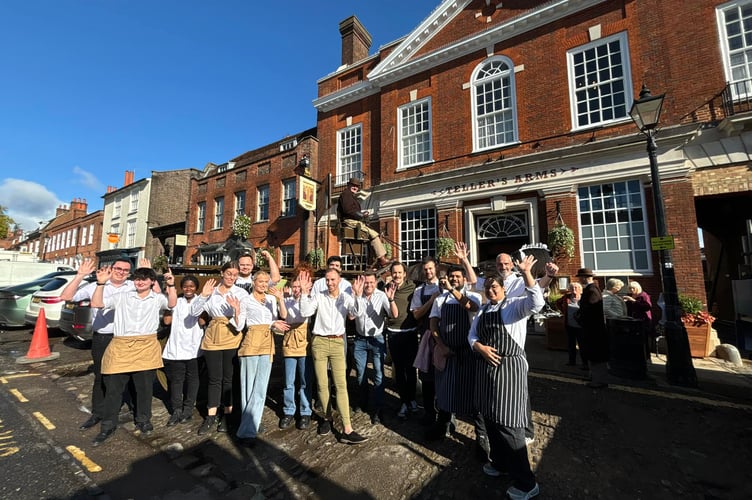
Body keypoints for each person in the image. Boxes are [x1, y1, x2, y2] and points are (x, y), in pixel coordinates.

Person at [468, 255, 544, 500]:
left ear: (503, 289)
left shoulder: (513, 307)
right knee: (490, 418)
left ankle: (526, 482)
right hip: (485, 371)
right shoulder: (482, 311)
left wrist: (527, 273)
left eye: (495, 287)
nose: (491, 291)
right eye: (488, 288)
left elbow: (537, 303)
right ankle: (500, 463)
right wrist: (479, 347)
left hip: (509, 370)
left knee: (509, 423)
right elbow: (471, 336)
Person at [90, 266, 178, 446]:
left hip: (146, 345)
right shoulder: (122, 297)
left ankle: (144, 420)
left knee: (144, 388)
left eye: (144, 279)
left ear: (152, 281)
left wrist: (171, 284)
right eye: (137, 279)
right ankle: (108, 424)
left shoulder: (157, 299)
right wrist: (100, 283)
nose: (140, 282)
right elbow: (97, 304)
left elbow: (172, 304)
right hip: (122, 345)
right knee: (114, 389)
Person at [61, 257, 135, 431]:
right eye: (118, 268)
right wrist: (80, 275)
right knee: (101, 375)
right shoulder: (96, 285)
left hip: (125, 337)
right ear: (111, 268)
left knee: (128, 376)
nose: (121, 272)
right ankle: (98, 413)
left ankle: (130, 409)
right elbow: (66, 296)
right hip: (103, 337)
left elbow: (153, 291)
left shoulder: (132, 286)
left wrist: (151, 274)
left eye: (125, 270)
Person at [298, 269, 369, 444]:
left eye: (333, 280)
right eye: (327, 280)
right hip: (319, 342)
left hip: (338, 343)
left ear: (339, 280)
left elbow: (356, 312)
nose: (330, 283)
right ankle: (327, 418)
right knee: (322, 384)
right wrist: (304, 293)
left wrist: (359, 295)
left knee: (341, 384)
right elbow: (305, 312)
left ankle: (347, 428)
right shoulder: (319, 296)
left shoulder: (345, 297)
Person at [229, 270, 289, 447]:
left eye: (266, 281)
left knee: (261, 387)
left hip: (267, 343)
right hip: (251, 343)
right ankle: (248, 429)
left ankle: (249, 427)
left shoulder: (271, 300)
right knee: (248, 387)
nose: (263, 284)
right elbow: (240, 326)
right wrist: (236, 311)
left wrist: (281, 299)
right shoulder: (246, 300)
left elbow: (283, 317)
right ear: (253, 282)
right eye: (260, 281)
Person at [190, 261, 249, 435]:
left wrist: (236, 310)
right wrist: (202, 295)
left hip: (231, 336)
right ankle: (211, 415)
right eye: (229, 273)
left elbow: (240, 326)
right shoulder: (212, 292)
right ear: (222, 273)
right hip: (213, 336)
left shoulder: (241, 293)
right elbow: (194, 313)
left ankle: (227, 415)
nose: (232, 277)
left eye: (235, 274)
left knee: (228, 378)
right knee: (214, 378)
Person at [427, 266, 482, 443]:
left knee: (473, 394)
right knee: (444, 391)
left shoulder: (474, 296)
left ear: (464, 279)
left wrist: (451, 290)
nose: (454, 279)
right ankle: (443, 425)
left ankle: (481, 436)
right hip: (447, 353)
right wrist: (441, 346)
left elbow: (471, 307)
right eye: (451, 276)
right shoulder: (440, 300)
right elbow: (433, 325)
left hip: (468, 353)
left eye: (458, 276)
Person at [351, 271, 397, 424]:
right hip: (360, 339)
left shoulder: (381, 295)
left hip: (377, 338)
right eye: (366, 282)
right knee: (360, 373)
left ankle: (378, 408)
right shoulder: (356, 294)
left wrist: (390, 300)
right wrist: (356, 297)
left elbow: (392, 314)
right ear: (362, 282)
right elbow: (351, 315)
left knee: (378, 373)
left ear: (376, 283)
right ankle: (363, 400)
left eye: (371, 282)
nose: (369, 285)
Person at [162, 275, 206, 426]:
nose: (188, 289)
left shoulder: (200, 300)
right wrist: (169, 305)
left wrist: (201, 306)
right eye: (185, 286)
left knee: (193, 380)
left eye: (192, 286)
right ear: (181, 288)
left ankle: (188, 408)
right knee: (176, 380)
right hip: (176, 347)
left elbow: (202, 322)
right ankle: (176, 409)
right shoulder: (177, 302)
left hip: (194, 347)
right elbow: (167, 321)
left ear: (196, 288)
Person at [384, 261, 420, 419]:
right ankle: (404, 401)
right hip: (393, 332)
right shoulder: (386, 288)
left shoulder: (413, 287)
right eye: (394, 272)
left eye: (400, 272)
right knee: (398, 369)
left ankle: (411, 399)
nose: (397, 275)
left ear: (405, 274)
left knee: (411, 369)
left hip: (410, 332)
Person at [410, 256, 442, 425]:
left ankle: (445, 415)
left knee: (442, 375)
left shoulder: (444, 287)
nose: (428, 272)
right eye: (426, 269)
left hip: (442, 337)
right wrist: (430, 301)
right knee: (427, 376)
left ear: (436, 268)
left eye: (431, 268)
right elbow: (416, 315)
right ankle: (429, 412)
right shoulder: (419, 291)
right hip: (426, 337)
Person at [279, 275, 313, 431]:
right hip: (289, 342)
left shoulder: (307, 300)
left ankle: (305, 411)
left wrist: (304, 294)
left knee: (305, 380)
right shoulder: (286, 300)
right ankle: (288, 410)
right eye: (295, 287)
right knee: (288, 380)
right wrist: (281, 299)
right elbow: (284, 316)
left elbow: (305, 314)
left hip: (304, 341)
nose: (297, 290)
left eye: (300, 287)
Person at [336, 177, 390, 269]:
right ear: (348, 185)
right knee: (373, 234)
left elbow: (351, 210)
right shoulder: (346, 194)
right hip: (350, 221)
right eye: (353, 185)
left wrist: (362, 215)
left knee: (371, 235)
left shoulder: (351, 196)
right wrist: (360, 214)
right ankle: (382, 259)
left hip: (354, 221)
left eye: (357, 186)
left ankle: (375, 259)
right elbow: (347, 210)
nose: (355, 187)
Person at [576, 268, 609, 388]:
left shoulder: (592, 290)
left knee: (596, 355)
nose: (579, 279)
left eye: (580, 277)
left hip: (594, 329)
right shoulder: (591, 289)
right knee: (593, 353)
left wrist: (580, 315)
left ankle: (598, 380)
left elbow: (590, 309)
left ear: (585, 277)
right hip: (592, 328)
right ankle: (594, 377)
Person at [556, 282, 585, 368]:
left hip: (581, 326)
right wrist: (563, 311)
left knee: (582, 345)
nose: (574, 290)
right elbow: (558, 303)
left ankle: (585, 363)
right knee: (571, 345)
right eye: (572, 288)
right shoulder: (567, 297)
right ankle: (572, 362)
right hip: (569, 325)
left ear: (580, 289)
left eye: (576, 288)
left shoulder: (583, 298)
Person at [624, 280, 655, 358]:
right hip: (633, 320)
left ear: (637, 288)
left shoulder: (643, 296)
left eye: (633, 288)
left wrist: (633, 301)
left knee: (644, 339)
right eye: (630, 288)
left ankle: (646, 355)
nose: (631, 290)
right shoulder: (630, 295)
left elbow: (647, 307)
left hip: (643, 321)